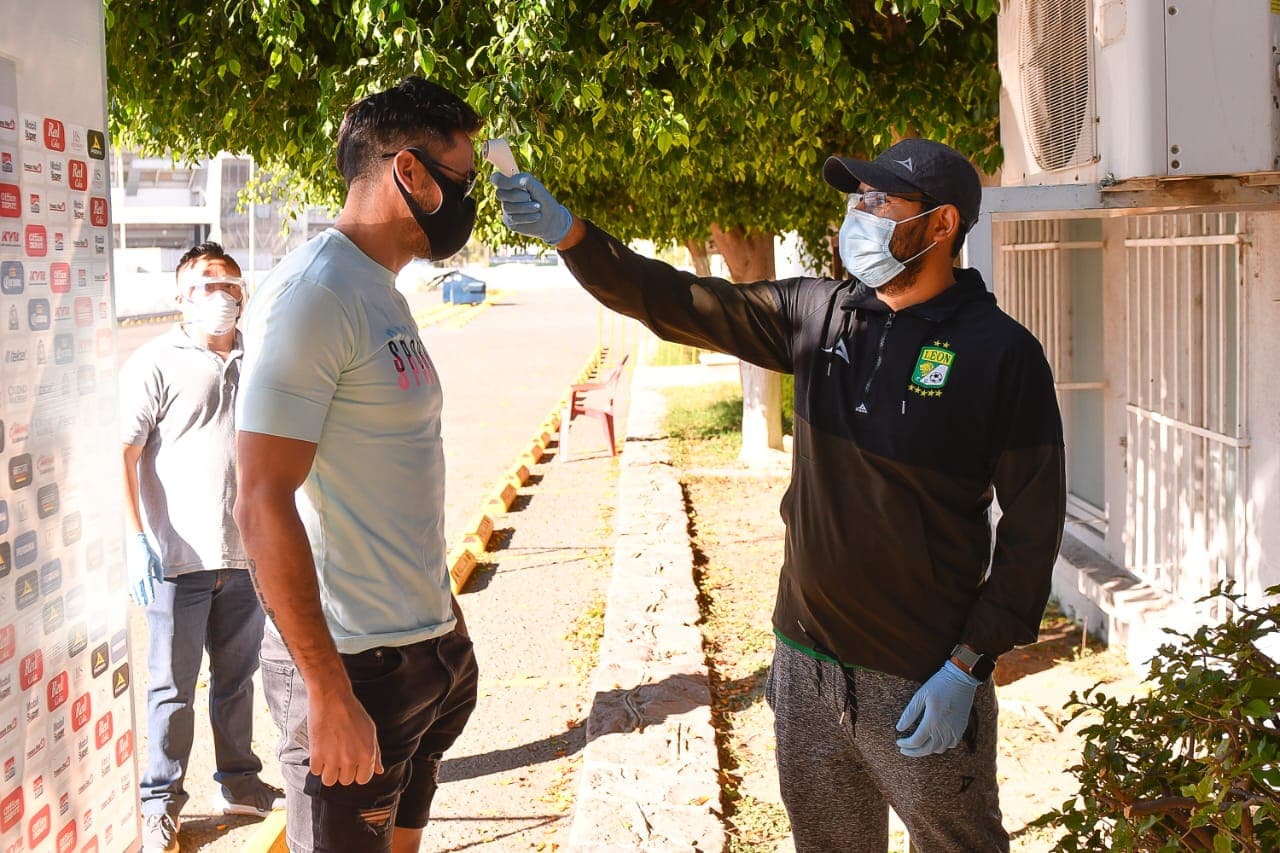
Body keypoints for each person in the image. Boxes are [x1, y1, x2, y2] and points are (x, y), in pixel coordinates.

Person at [492, 137, 1066, 852]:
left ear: (942, 225)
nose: (860, 212)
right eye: (857, 197)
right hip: (804, 666)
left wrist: (969, 662)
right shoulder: (818, 315)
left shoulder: (1000, 353)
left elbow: (1034, 525)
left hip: (921, 677)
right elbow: (681, 301)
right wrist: (574, 238)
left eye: (881, 200)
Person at [233, 76, 480, 853]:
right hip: (352, 669)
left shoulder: (380, 288)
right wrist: (327, 689)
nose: (471, 198)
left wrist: (442, 623)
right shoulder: (315, 294)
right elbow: (261, 500)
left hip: (427, 652)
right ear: (409, 172)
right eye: (462, 178)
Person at [120, 242, 285, 853]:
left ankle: (240, 781)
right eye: (205, 284)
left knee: (237, 678)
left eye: (229, 283)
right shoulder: (154, 363)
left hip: (244, 556)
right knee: (171, 687)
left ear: (244, 293)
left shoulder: (258, 360)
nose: (219, 295)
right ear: (180, 297)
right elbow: (124, 453)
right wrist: (138, 538)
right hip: (176, 560)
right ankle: (160, 802)